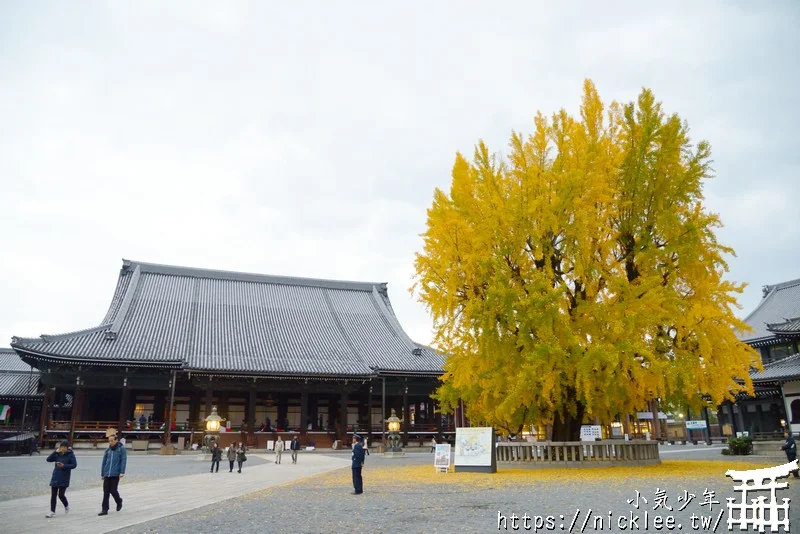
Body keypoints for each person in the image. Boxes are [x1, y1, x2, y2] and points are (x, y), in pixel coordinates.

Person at [45, 439, 77, 518]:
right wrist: (55, 452)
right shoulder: (57, 454)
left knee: (61, 495)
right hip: (56, 475)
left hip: (64, 476)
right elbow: (48, 459)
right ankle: (52, 511)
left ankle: (66, 505)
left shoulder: (70, 454)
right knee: (53, 495)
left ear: (67, 448)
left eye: (64, 447)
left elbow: (74, 465)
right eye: (61, 447)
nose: (62, 448)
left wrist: (64, 466)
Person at [99, 432, 126, 516]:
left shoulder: (121, 449)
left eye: (112, 441)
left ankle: (119, 501)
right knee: (106, 491)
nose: (110, 442)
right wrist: (103, 473)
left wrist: (122, 472)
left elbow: (123, 461)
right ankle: (105, 509)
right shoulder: (108, 450)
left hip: (115, 473)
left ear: (116, 440)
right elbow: (104, 462)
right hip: (107, 473)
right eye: (109, 441)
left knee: (113, 490)